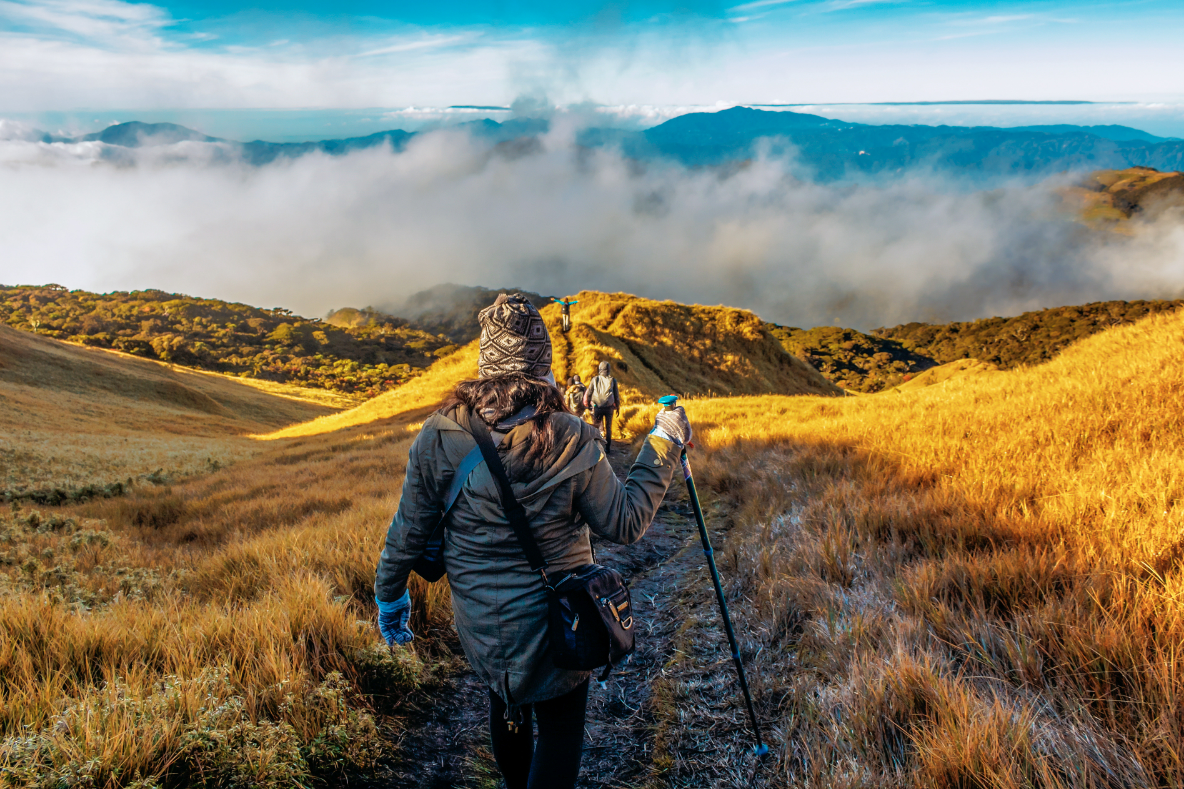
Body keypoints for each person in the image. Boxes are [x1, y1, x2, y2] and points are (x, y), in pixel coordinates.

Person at [373, 293, 692, 789]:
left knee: (506, 704)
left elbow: (407, 531)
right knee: (561, 732)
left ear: (485, 363)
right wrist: (664, 442)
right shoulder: (572, 435)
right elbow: (624, 524)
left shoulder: (438, 434)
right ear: (542, 365)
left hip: (482, 627)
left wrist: (389, 598)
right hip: (559, 625)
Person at [583, 360, 620, 451]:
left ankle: (595, 447)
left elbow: (589, 393)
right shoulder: (613, 380)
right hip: (609, 408)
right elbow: (616, 395)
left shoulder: (594, 379)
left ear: (600, 369)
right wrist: (618, 407)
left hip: (597, 407)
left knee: (596, 427)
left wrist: (588, 405)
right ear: (608, 369)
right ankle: (607, 448)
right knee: (608, 428)